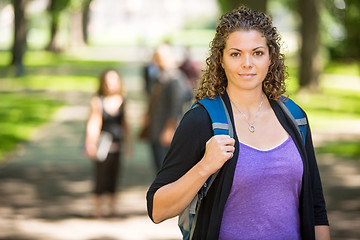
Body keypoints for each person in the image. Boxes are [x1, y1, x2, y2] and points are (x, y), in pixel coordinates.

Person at [146, 6, 330, 240]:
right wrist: (205, 166)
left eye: (257, 53)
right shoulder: (202, 120)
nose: (247, 63)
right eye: (235, 54)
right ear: (220, 60)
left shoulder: (295, 118)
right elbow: (157, 209)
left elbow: (316, 207)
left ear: (270, 57)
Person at [85, 69, 132, 218]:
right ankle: (97, 209)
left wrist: (129, 144)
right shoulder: (98, 100)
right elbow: (94, 123)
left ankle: (112, 207)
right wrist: (90, 142)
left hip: (117, 145)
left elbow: (125, 124)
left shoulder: (122, 100)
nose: (111, 84)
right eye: (108, 81)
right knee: (100, 177)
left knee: (114, 176)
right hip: (102, 146)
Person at [140, 43, 189, 172]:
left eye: (161, 56)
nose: (158, 60)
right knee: (157, 166)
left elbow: (176, 107)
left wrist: (169, 129)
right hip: (155, 128)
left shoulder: (176, 79)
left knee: (165, 169)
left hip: (166, 131)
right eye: (156, 57)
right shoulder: (159, 76)